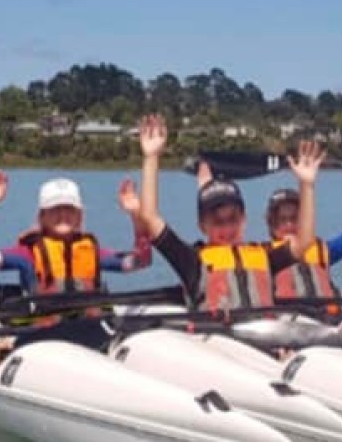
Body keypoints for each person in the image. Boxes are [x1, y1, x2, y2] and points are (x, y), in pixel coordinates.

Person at [134, 114, 324, 313]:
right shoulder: (193, 262)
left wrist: (307, 185)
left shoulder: (264, 256)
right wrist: (151, 157)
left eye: (233, 219)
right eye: (217, 221)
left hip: (266, 338)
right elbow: (150, 218)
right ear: (202, 226)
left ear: (244, 219)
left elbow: (305, 241)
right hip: (218, 340)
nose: (227, 228)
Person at [0, 171, 152, 295]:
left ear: (79, 216)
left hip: (88, 330)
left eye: (69, 209)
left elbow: (141, 261)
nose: (63, 215)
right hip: (44, 337)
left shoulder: (92, 251)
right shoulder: (27, 253)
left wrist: (136, 215)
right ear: (42, 216)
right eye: (55, 209)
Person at [263, 156, 342, 307]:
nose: (289, 225)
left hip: (326, 322)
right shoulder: (264, 257)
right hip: (288, 325)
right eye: (282, 220)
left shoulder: (322, 251)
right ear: (271, 224)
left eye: (295, 219)